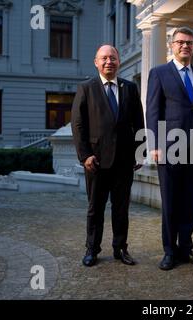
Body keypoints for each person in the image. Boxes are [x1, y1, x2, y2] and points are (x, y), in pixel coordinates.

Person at [71, 44, 145, 267]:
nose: (108, 62)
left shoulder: (130, 88)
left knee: (121, 208)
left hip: (124, 162)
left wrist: (139, 154)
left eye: (112, 58)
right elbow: (78, 124)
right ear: (96, 62)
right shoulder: (86, 88)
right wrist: (85, 156)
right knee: (95, 208)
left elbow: (138, 123)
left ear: (119, 61)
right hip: (96, 161)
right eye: (103, 58)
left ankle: (120, 249)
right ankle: (92, 249)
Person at [146, 27, 193, 270]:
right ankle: (169, 251)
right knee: (171, 202)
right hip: (169, 148)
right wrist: (154, 145)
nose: (185, 46)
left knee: (189, 201)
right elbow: (153, 110)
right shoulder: (159, 73)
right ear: (171, 46)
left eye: (190, 43)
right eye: (181, 42)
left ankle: (186, 247)